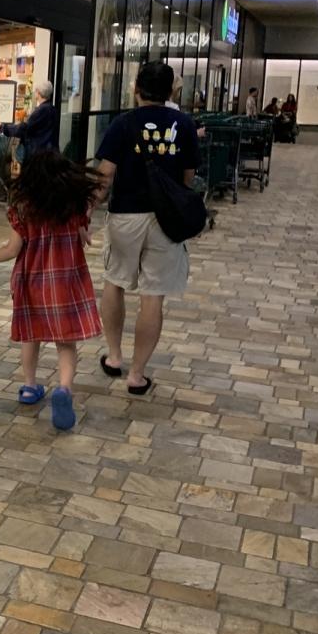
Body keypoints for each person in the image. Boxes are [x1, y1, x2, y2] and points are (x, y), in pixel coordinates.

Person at [0, 150, 102, 430]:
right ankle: (64, 388)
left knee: (31, 335)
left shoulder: (24, 207)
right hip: (65, 282)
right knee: (66, 341)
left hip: (31, 282)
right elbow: (81, 235)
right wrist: (81, 232)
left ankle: (29, 387)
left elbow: (12, 249)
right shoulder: (73, 206)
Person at [94, 61, 200, 396]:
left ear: (136, 88)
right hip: (165, 219)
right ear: (170, 91)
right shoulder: (184, 124)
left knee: (115, 281)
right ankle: (137, 375)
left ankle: (114, 356)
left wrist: (87, 208)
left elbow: (105, 174)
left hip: (125, 215)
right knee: (153, 296)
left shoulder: (123, 123)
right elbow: (188, 177)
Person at [0, 81, 59, 157]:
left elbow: (24, 128)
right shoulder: (53, 110)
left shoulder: (41, 111)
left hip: (39, 153)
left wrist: (4, 127)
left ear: (38, 93)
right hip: (50, 152)